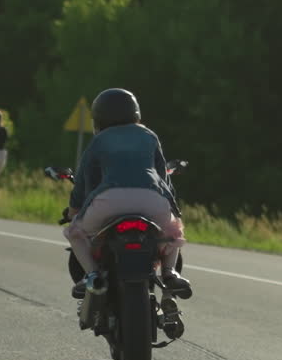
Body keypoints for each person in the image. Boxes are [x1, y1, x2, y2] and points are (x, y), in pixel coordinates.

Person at [64, 87, 192, 299]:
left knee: (75, 232)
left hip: (109, 201)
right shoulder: (149, 136)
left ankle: (92, 276)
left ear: (98, 118)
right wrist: (174, 213)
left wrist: (75, 210)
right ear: (136, 113)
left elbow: (84, 179)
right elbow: (163, 178)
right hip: (151, 200)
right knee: (172, 234)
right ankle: (170, 274)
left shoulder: (99, 141)